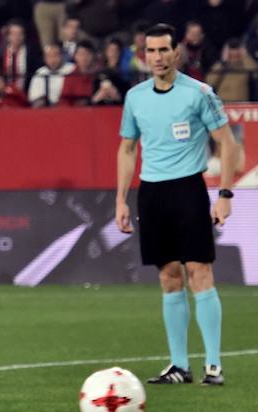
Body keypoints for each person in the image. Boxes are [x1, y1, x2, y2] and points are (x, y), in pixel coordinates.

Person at [115, 23, 236, 386]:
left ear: (176, 53)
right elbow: (126, 148)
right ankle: (179, 366)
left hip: (188, 189)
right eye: (150, 51)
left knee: (200, 271)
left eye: (163, 50)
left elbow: (227, 144)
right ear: (144, 55)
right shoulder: (135, 97)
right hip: (151, 193)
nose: (157, 57)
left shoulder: (199, 93)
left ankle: (213, 365)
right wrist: (121, 199)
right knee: (168, 276)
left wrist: (225, 194)